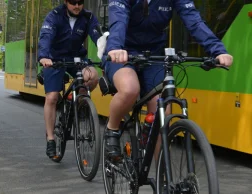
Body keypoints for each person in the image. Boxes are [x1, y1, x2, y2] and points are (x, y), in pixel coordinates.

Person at [102, 0, 233, 161]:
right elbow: (118, 20)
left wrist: (217, 50)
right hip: (122, 52)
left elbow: (193, 20)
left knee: (162, 108)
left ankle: (162, 180)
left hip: (153, 55)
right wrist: (115, 47)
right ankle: (112, 129)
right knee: (130, 88)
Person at [38, 0, 101, 159]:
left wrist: (107, 53)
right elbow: (46, 36)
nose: (77, 6)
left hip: (76, 59)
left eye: (80, 2)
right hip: (55, 59)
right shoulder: (54, 16)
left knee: (93, 76)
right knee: (52, 97)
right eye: (73, 2)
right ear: (66, 2)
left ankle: (78, 104)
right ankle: (51, 138)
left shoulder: (88, 17)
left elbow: (98, 37)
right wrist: (44, 56)